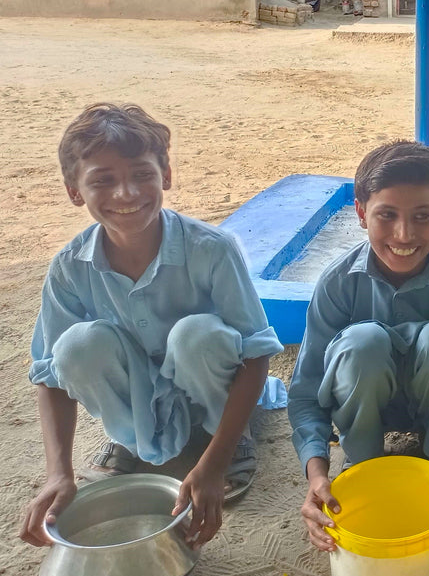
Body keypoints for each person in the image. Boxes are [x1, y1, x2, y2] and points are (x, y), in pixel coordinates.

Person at [19, 103, 283, 549]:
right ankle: (135, 438)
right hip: (142, 395)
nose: (126, 193)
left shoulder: (211, 249)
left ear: (166, 175)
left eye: (142, 174)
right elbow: (50, 375)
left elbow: (256, 353)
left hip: (215, 386)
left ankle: (230, 440)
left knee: (195, 335)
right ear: (74, 191)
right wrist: (57, 473)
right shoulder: (69, 267)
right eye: (102, 179)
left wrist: (214, 463)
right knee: (76, 347)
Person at [288, 141, 429, 552]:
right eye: (386, 215)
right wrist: (317, 474)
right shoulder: (337, 284)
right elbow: (305, 393)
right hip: (364, 405)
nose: (404, 235)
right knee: (362, 342)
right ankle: (363, 463)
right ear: (359, 213)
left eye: (422, 217)